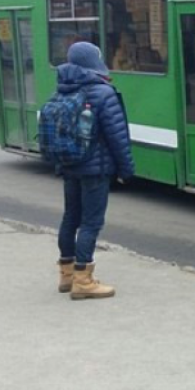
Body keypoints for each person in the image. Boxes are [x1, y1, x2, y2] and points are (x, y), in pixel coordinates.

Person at [54, 42, 135, 300]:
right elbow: (117, 136)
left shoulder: (63, 88)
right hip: (95, 169)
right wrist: (126, 169)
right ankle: (83, 281)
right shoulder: (103, 92)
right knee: (91, 223)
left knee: (70, 218)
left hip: (69, 165)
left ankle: (66, 275)